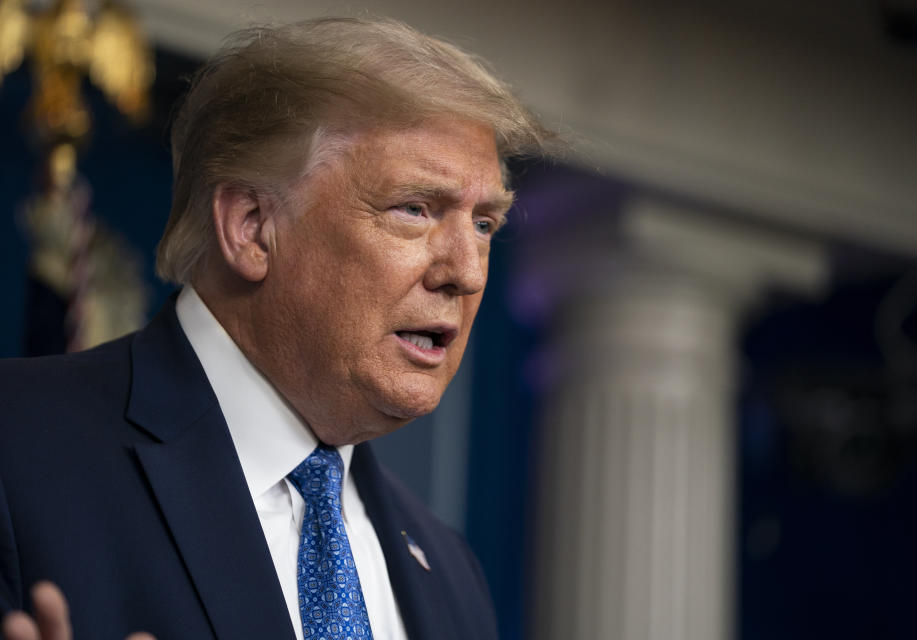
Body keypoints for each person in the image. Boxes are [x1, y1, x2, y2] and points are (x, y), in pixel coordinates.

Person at [0, 17, 552, 640]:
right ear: (251, 226)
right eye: (415, 209)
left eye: (484, 223)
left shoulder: (451, 575)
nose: (469, 272)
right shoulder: (16, 445)